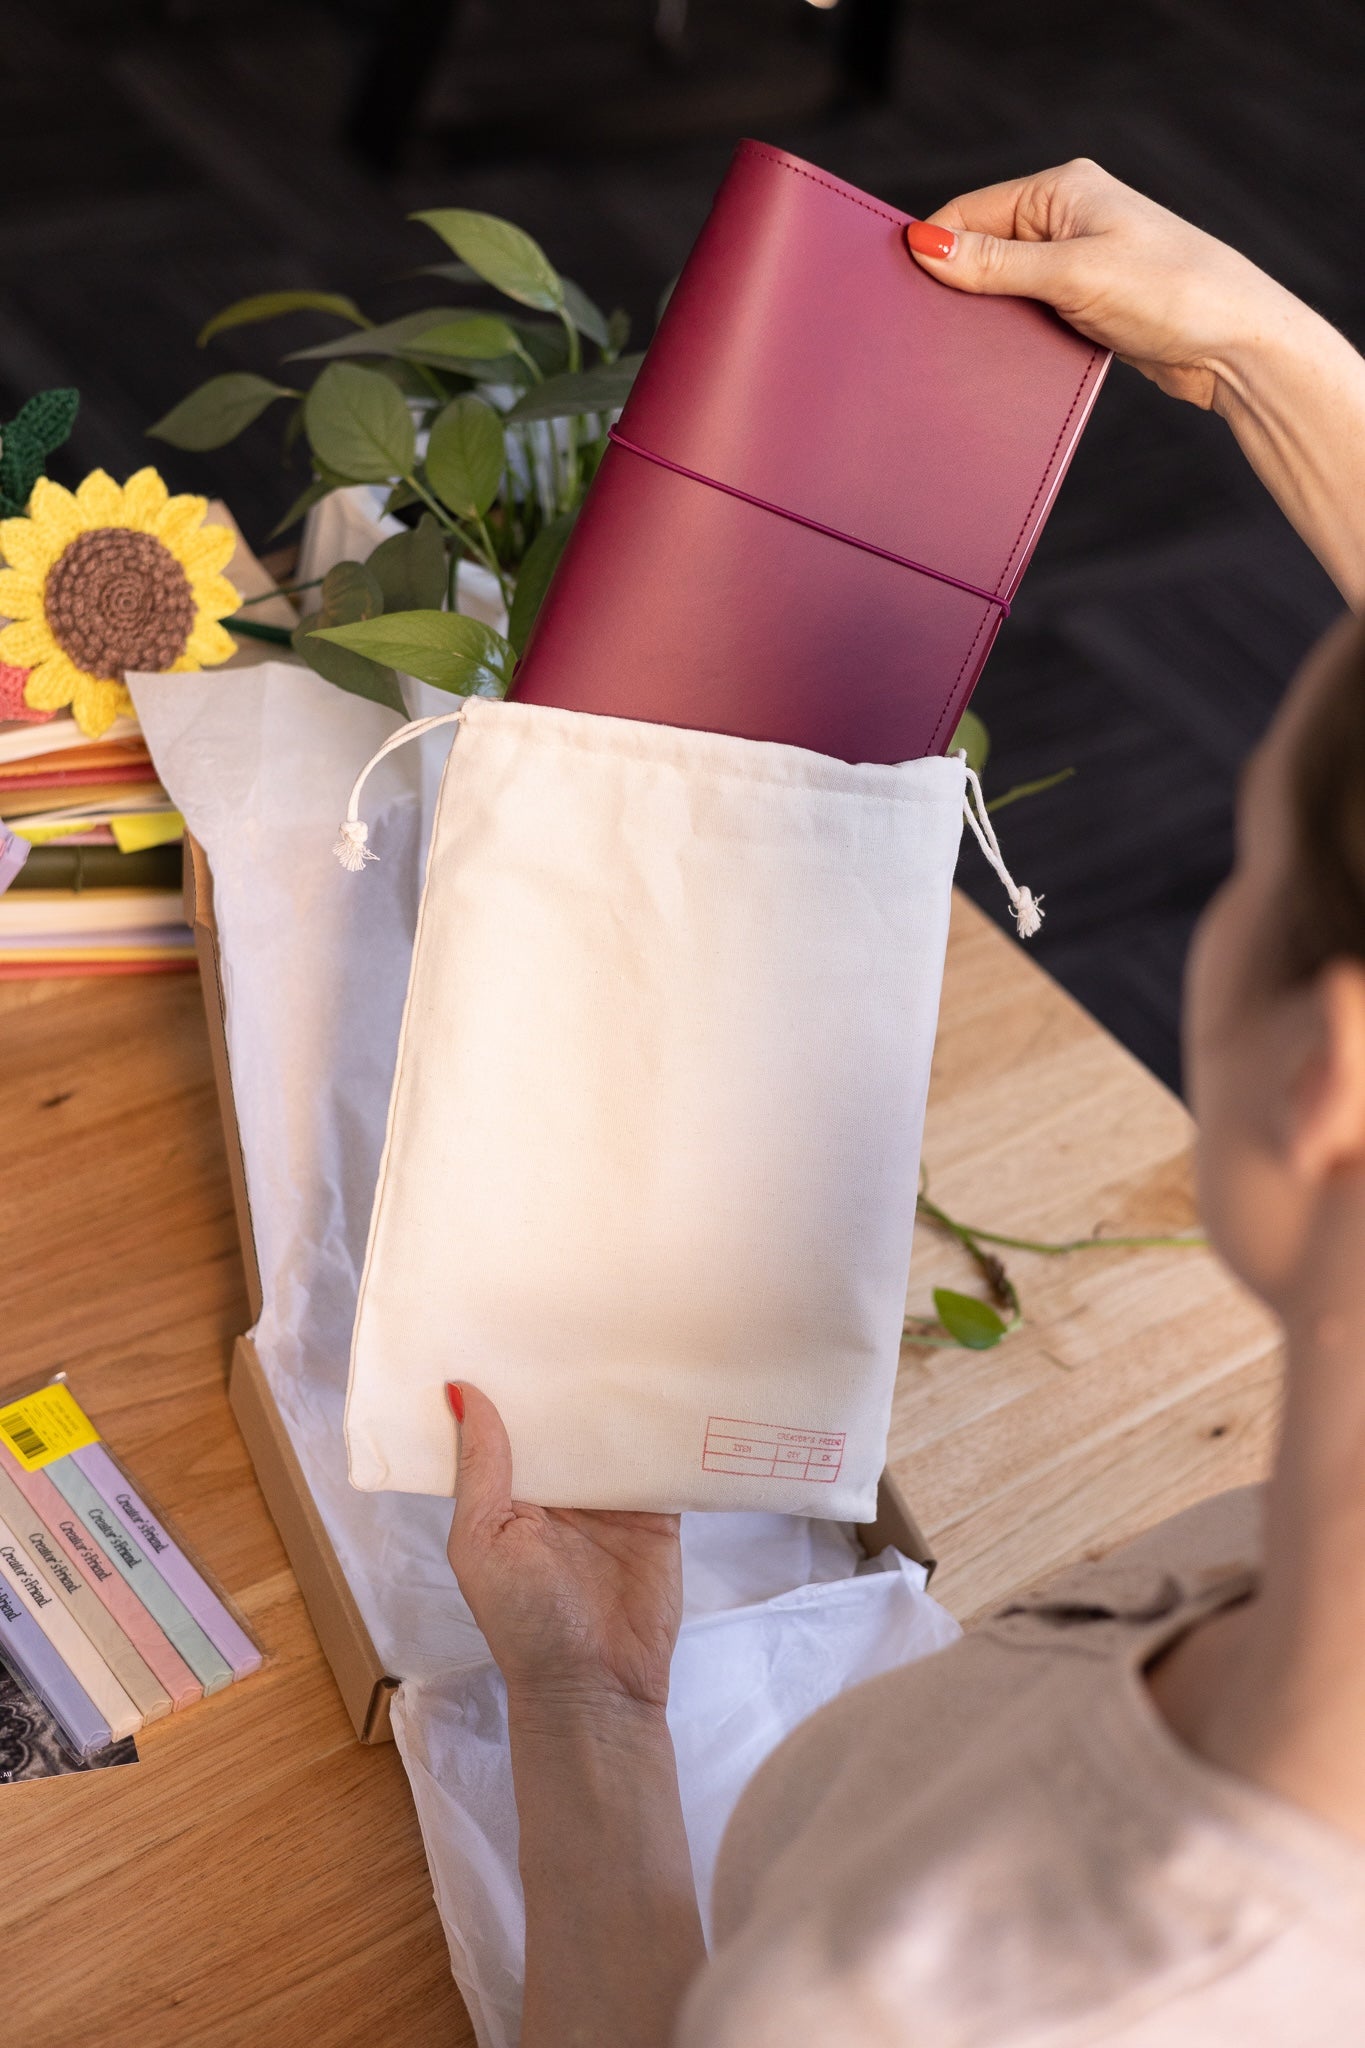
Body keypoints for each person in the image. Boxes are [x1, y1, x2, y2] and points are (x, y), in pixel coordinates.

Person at [444, 160, 1365, 2045]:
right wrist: (1264, 357)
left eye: (1243, 849)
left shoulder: (945, 1992)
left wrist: (593, 1707)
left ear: (1329, 1090)